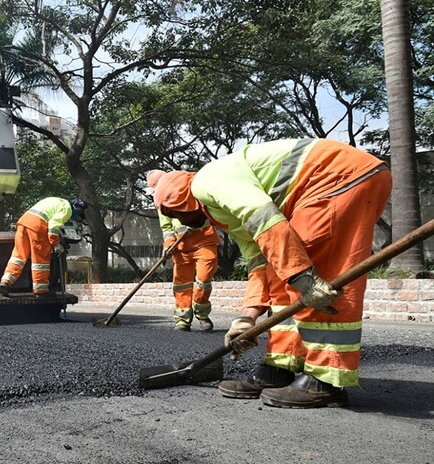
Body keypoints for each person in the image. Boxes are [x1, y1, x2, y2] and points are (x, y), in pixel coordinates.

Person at [152, 138, 390, 408]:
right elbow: (259, 265)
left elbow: (262, 216)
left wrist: (301, 275)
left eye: (175, 214)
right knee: (281, 273)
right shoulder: (219, 210)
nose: (181, 223)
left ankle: (325, 380)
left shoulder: (208, 182)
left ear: (183, 201)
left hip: (336, 177)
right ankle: (280, 367)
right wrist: (247, 318)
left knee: (314, 272)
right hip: (329, 183)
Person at [146, 170, 220, 332]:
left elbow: (213, 211)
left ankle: (202, 313)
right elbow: (166, 227)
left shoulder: (192, 189)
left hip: (204, 242)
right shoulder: (161, 203)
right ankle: (182, 319)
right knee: (181, 284)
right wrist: (169, 244)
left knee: (204, 279)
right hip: (181, 248)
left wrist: (194, 221)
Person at [0, 197, 87, 297]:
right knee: (40, 261)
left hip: (23, 222)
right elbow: (53, 226)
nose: (77, 215)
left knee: (18, 257)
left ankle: (5, 282)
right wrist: (55, 243)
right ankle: (40, 291)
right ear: (75, 207)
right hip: (38, 226)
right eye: (79, 212)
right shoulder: (67, 209)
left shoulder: (56, 200)